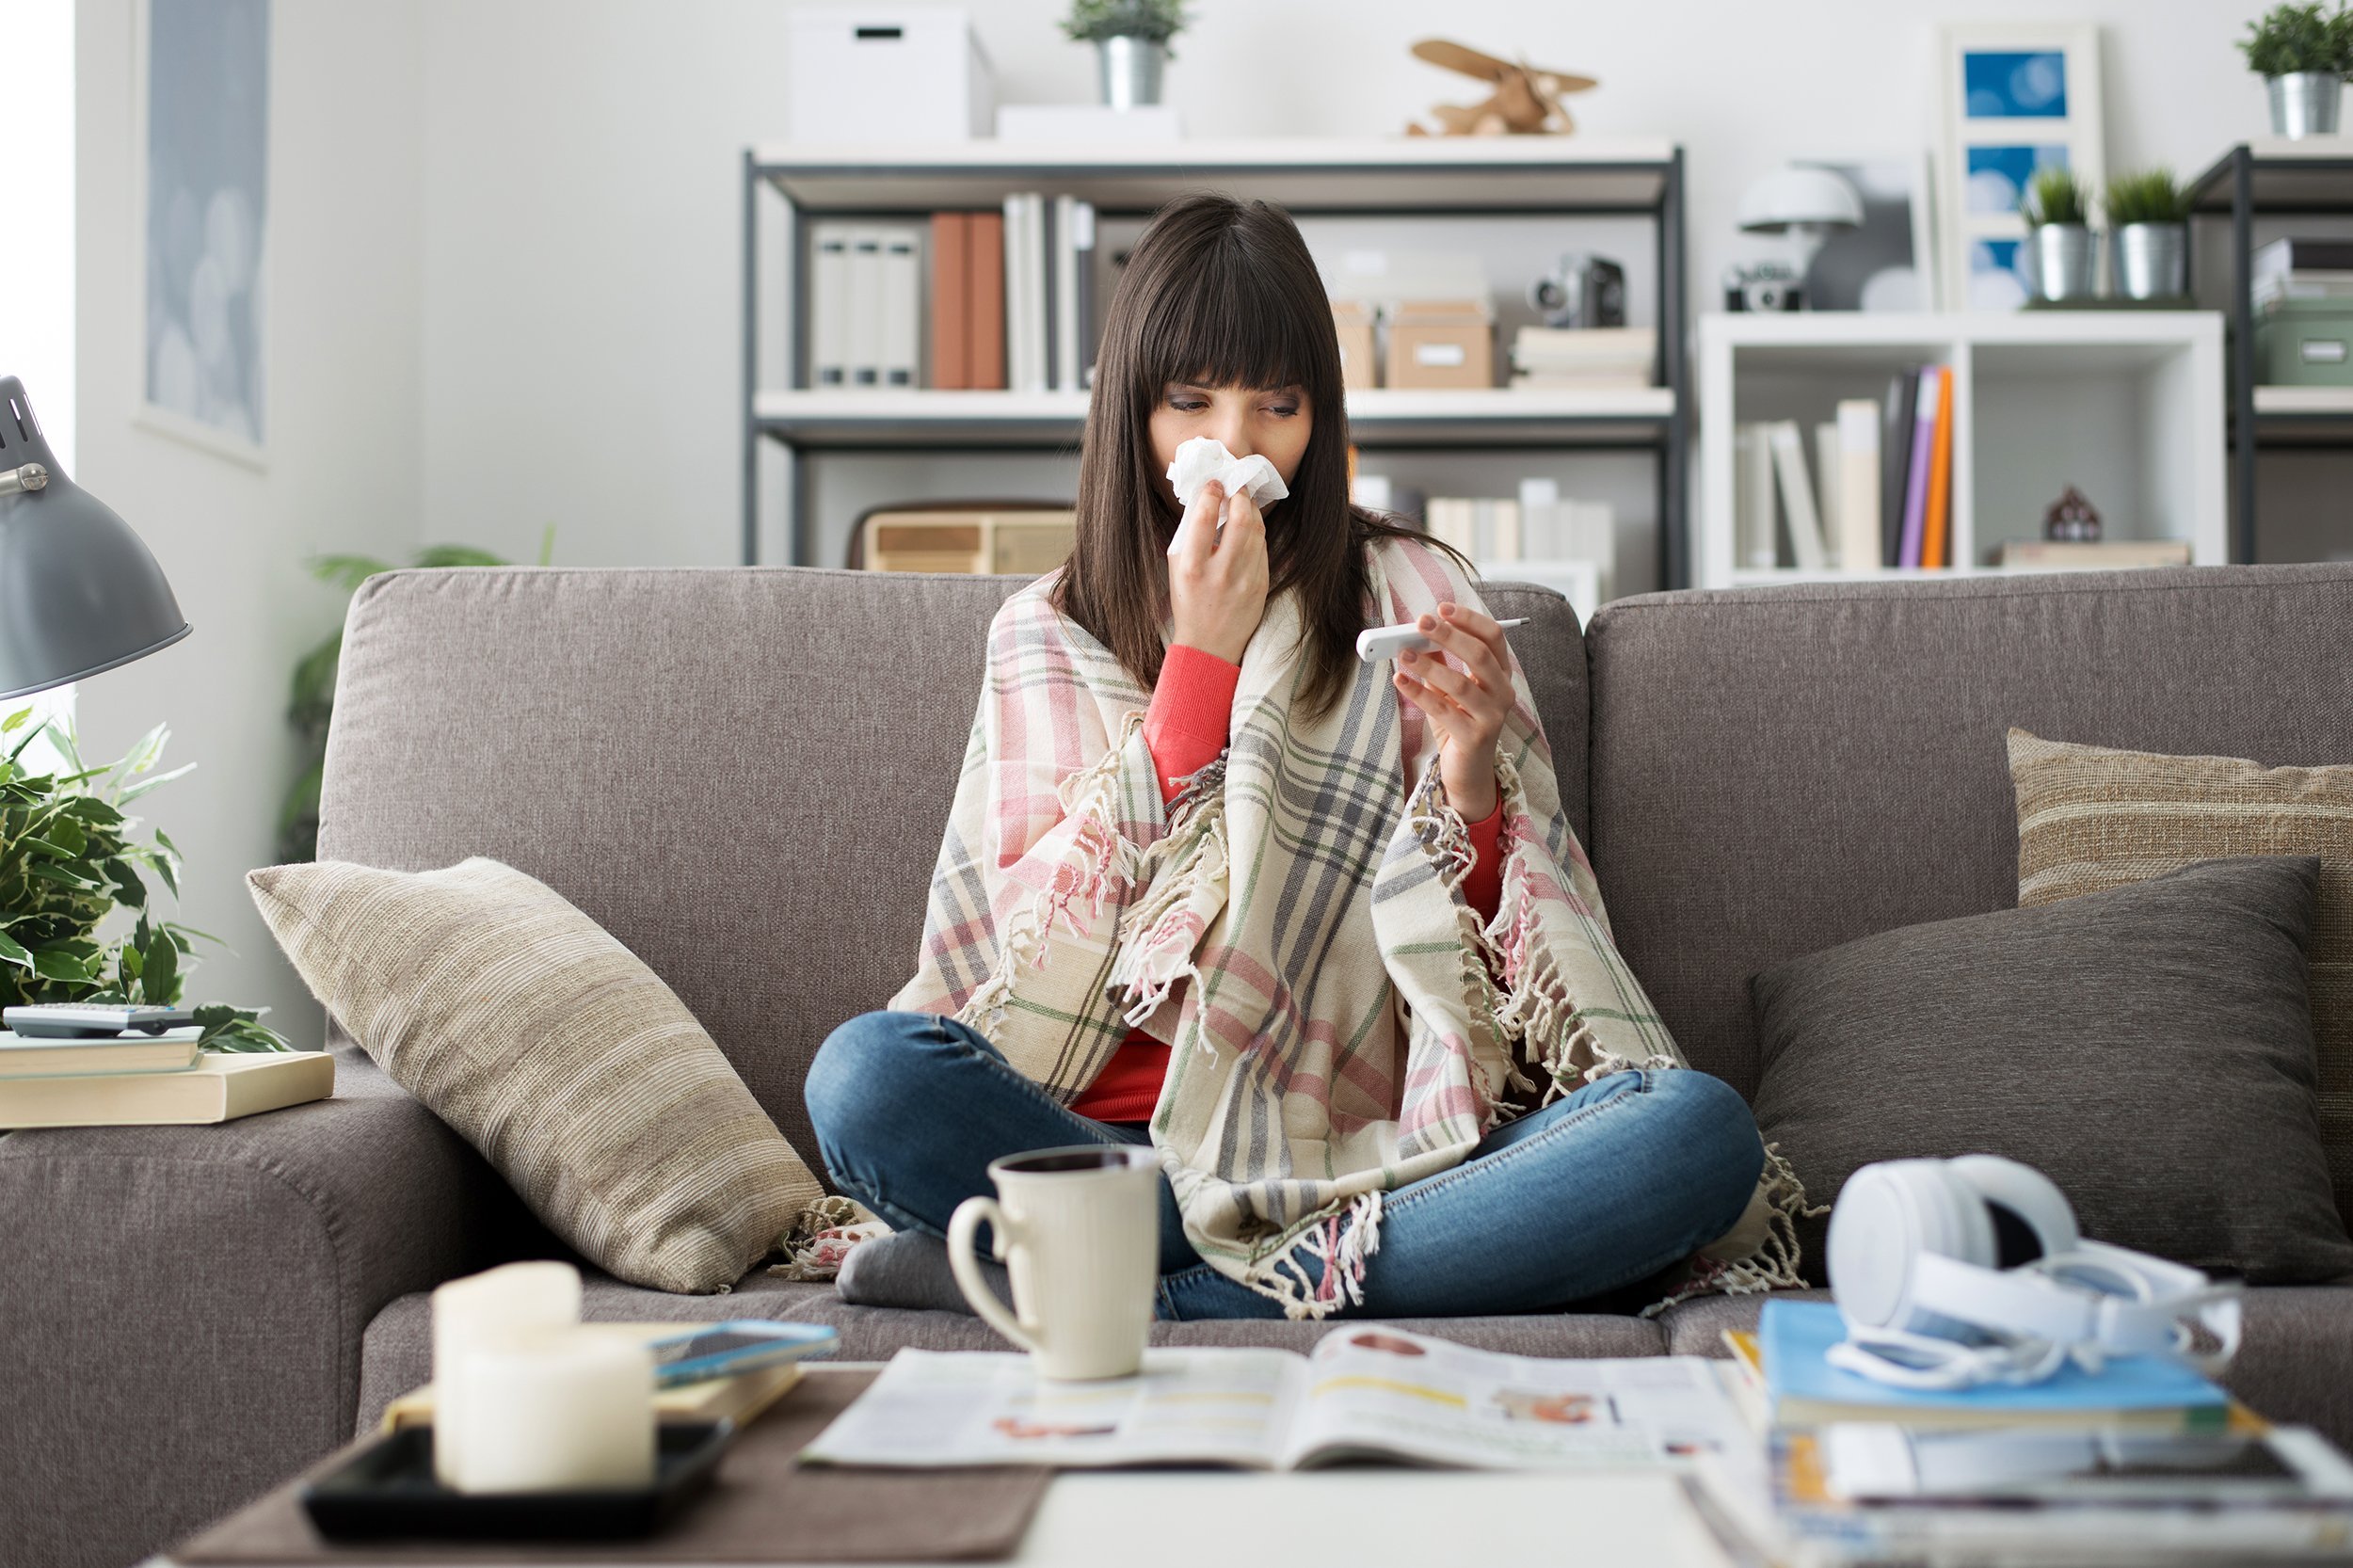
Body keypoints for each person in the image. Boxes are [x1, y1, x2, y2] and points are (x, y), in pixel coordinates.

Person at [807, 193, 1795, 1321]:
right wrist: (1200, 664)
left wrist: (1470, 782)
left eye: (1277, 405)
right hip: (1097, 1144)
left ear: (1321, 417)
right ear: (1129, 410)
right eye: (1192, 403)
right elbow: (1040, 953)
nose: (1234, 444)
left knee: (1692, 1130)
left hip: (1362, 1151)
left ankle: (1130, 1287)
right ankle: (1215, 1263)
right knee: (862, 1077)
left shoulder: (1413, 590)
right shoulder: (1046, 630)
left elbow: (1503, 991)